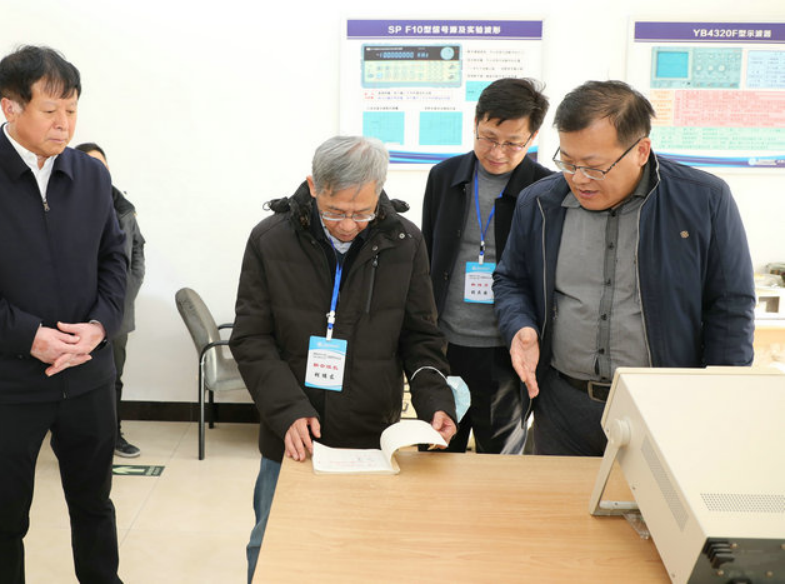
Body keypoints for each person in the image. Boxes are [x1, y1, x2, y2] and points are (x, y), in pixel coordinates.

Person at [0, 46, 126, 583]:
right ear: (10, 107)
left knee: (95, 506)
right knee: (2, 518)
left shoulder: (90, 175)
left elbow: (114, 258)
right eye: (51, 110)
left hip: (87, 375)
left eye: (73, 110)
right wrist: (30, 337)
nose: (65, 124)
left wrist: (100, 326)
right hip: (8, 379)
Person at [230, 136, 458, 581]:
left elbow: (421, 336)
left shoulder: (404, 241)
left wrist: (435, 399)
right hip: (292, 435)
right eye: (336, 211)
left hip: (370, 432)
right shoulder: (270, 240)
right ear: (314, 186)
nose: (349, 225)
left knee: (362, 550)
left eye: (362, 212)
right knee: (273, 546)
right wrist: (288, 411)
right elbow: (252, 338)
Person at [494, 80, 755, 456]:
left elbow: (730, 306)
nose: (578, 179)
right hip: (563, 408)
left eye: (594, 167)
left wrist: (719, 400)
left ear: (641, 151)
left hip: (664, 408)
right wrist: (520, 324)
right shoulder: (539, 203)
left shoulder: (704, 201)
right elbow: (511, 280)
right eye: (568, 162)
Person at [421, 78, 552, 454]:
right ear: (475, 123)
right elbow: (428, 255)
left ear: (533, 137)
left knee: (500, 460)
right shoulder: (444, 177)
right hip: (446, 345)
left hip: (506, 351)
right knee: (437, 451)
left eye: (513, 143)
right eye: (489, 138)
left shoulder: (545, 190)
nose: (497, 152)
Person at [76, 142, 146, 458]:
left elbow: (137, 251)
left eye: (102, 166)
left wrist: (124, 294)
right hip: (76, 312)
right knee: (78, 378)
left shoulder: (123, 209)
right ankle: (78, 440)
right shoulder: (64, 206)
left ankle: (113, 435)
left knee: (113, 375)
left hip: (117, 311)